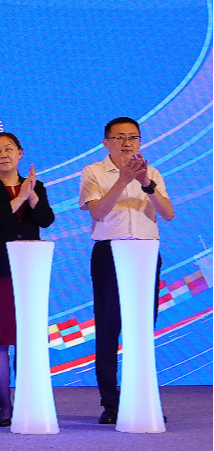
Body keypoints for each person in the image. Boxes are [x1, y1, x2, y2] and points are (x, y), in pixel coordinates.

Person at [78, 116, 174, 425]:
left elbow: (168, 214)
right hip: (110, 252)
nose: (127, 142)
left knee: (142, 328)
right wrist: (122, 180)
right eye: (120, 137)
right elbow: (97, 212)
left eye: (133, 137)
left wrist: (146, 183)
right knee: (109, 328)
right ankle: (111, 404)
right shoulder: (93, 171)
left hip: (145, 254)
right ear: (106, 142)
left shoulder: (152, 173)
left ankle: (142, 399)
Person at [0, 132, 55, 427]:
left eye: (9, 149)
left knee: (27, 337)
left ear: (20, 153)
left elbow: (46, 220)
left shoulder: (37, 186)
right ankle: (5, 406)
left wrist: (31, 196)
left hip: (30, 269)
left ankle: (27, 400)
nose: (3, 154)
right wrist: (19, 197)